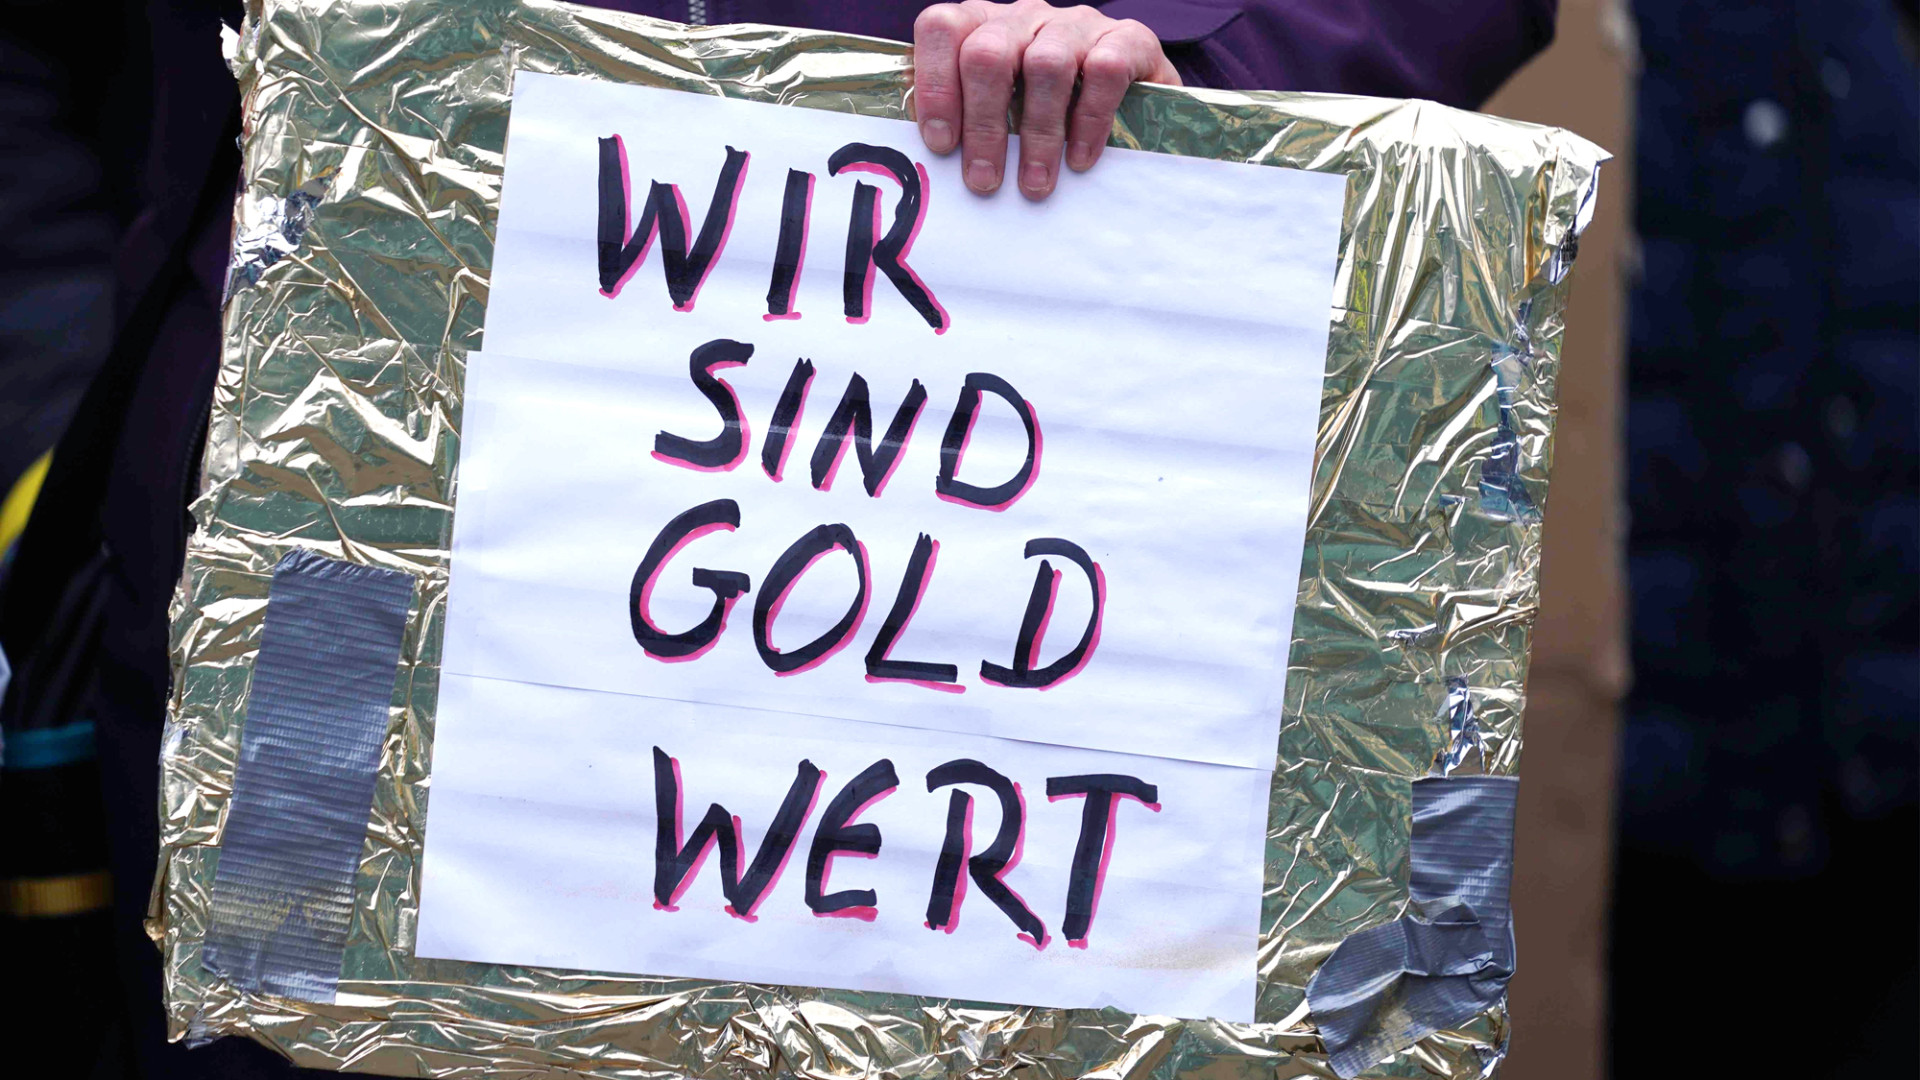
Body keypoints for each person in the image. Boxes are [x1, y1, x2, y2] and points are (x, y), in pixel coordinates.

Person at [0, 3, 1555, 1078]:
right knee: (275, 1023)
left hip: (973, 557)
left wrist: (1203, 71)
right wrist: (73, 367)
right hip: (320, 562)